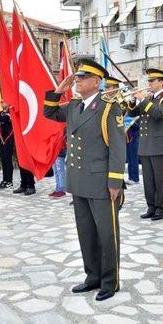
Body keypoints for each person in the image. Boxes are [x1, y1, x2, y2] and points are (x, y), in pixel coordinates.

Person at [44, 58, 125, 301]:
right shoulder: (74, 106)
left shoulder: (109, 107)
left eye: (81, 77)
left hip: (101, 182)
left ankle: (110, 282)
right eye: (76, 77)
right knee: (86, 232)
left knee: (107, 234)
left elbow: (118, 147)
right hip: (79, 180)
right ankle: (92, 277)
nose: (76, 80)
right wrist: (60, 89)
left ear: (96, 81)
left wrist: (115, 182)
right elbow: (49, 112)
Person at [127, 68, 163, 221]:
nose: (149, 83)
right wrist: (134, 100)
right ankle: (151, 206)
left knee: (160, 179)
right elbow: (132, 113)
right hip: (146, 145)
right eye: (148, 81)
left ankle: (162, 208)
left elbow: (159, 113)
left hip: (159, 145)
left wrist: (143, 99)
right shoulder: (147, 98)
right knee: (148, 180)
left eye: (152, 81)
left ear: (161, 82)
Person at [0, 102, 15, 189]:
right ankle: (4, 179)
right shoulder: (0, 113)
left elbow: (2, 119)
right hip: (1, 140)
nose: (1, 103)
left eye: (3, 102)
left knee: (8, 161)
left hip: (8, 140)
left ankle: (9, 181)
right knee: (3, 161)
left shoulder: (10, 113)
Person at [50, 129, 67, 198]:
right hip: (54, 148)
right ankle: (58, 188)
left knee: (60, 170)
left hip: (60, 148)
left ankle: (62, 190)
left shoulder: (62, 124)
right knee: (56, 170)